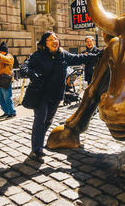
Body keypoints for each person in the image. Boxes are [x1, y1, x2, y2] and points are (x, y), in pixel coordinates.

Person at [20, 31, 102, 160]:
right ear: (44, 43)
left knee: (48, 121)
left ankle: (39, 141)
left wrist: (97, 55)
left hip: (56, 95)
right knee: (40, 120)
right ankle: (37, 149)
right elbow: (24, 67)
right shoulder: (37, 56)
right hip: (41, 94)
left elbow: (79, 58)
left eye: (56, 39)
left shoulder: (63, 54)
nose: (55, 41)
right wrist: (30, 73)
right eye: (51, 39)